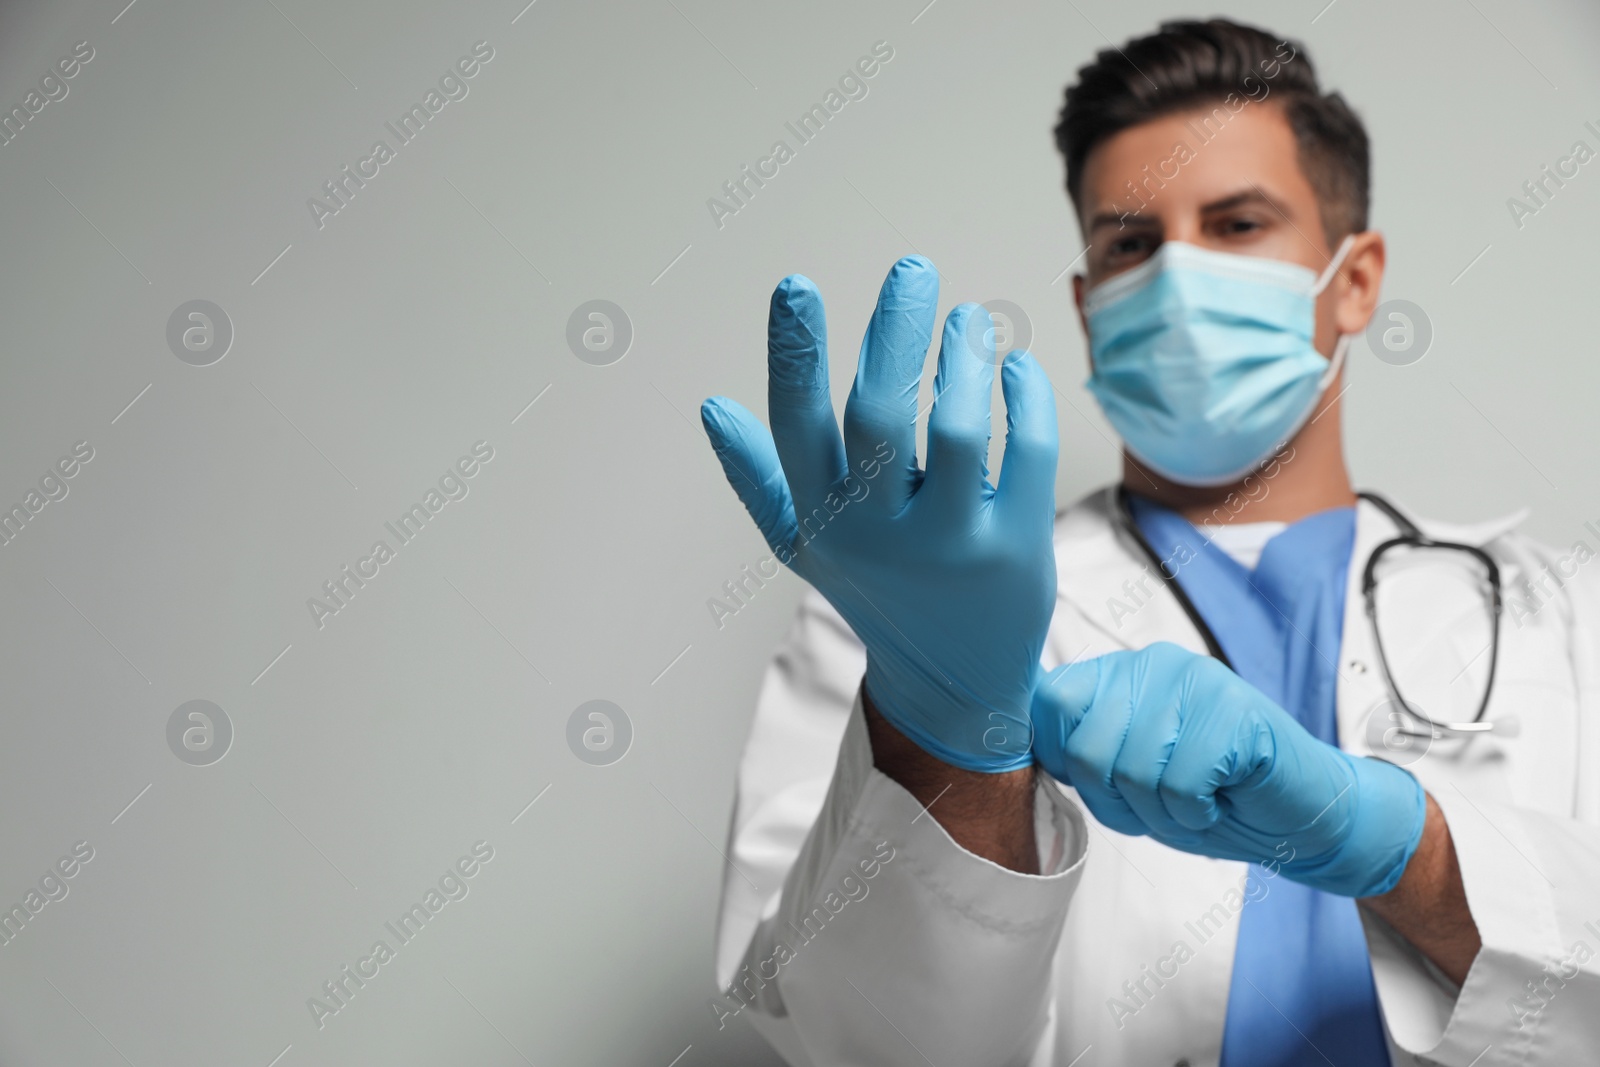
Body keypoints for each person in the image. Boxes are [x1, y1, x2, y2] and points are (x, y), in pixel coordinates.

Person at [698, 18, 1600, 1067]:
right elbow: (842, 1037)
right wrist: (940, 743)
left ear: (1354, 279)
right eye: (1129, 243)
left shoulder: (1563, 617)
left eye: (1236, 224)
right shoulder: (898, 620)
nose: (1176, 279)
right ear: (1087, 308)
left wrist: (1408, 852)